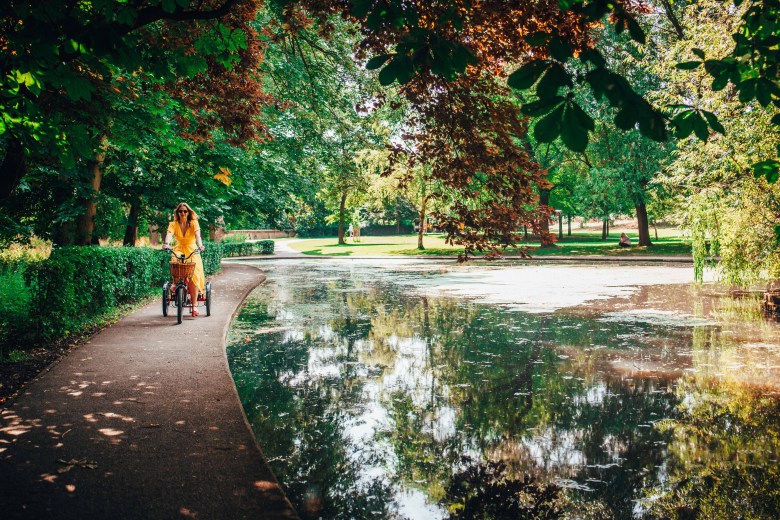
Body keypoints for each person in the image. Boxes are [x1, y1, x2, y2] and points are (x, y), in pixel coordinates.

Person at [163, 203, 206, 316]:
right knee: (175, 260)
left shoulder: (193, 223)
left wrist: (200, 246)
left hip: (192, 249)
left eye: (185, 211)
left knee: (194, 276)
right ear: (177, 213)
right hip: (179, 248)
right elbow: (169, 235)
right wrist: (166, 244)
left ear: (188, 212)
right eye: (180, 211)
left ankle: (194, 306)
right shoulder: (173, 224)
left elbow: (198, 236)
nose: (182, 213)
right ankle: (175, 282)